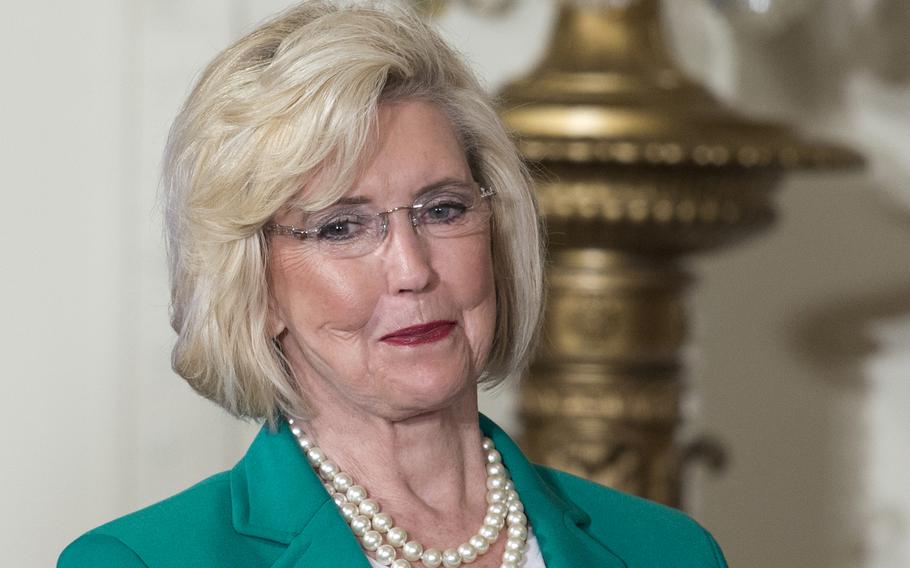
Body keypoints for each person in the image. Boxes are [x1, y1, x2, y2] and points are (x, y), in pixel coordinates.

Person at [58, 2, 728, 567]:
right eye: (342, 228)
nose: (413, 269)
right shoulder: (141, 561)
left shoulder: (669, 550)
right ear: (254, 286)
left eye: (443, 210)